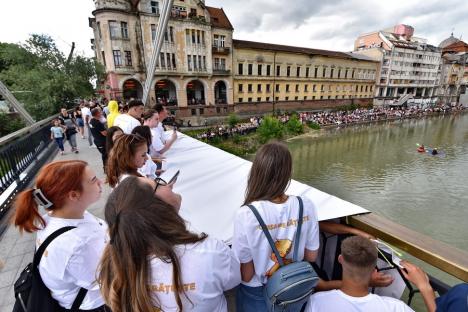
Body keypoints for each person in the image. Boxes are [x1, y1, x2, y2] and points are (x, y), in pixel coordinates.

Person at [98, 176, 241, 311]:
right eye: (159, 183)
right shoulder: (210, 252)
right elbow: (234, 278)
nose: (169, 184)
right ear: (157, 208)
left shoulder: (114, 261)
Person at [232, 142, 320, 311]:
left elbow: (247, 274)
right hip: (292, 288)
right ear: (288, 173)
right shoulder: (306, 205)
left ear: (257, 173)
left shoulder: (246, 214)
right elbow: (311, 256)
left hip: (258, 293)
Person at [13, 160, 108, 311]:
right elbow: (105, 279)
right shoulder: (77, 244)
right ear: (74, 195)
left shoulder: (55, 217)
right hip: (93, 304)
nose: (101, 181)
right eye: (93, 180)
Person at [306, 236, 421, 312]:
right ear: (374, 268)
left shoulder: (317, 301)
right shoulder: (396, 307)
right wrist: (424, 287)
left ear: (340, 259)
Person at [106, 133, 181, 208]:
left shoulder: (122, 173)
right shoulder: (134, 182)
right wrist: (165, 191)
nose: (147, 158)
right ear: (129, 157)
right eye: (143, 155)